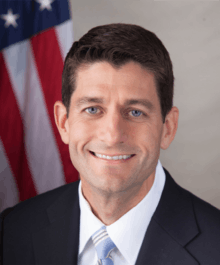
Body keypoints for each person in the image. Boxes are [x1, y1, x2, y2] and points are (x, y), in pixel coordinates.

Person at [1, 23, 220, 265]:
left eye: (135, 112)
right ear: (64, 123)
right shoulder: (12, 232)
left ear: (167, 127)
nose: (112, 136)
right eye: (93, 109)